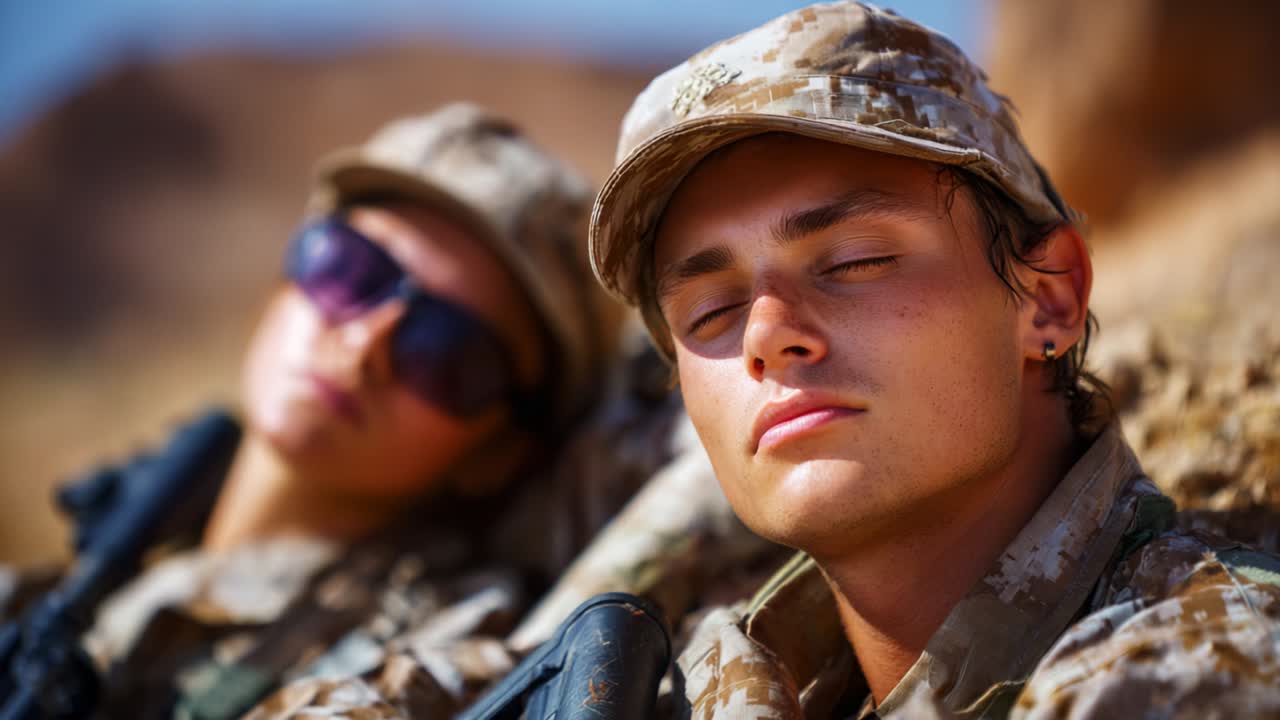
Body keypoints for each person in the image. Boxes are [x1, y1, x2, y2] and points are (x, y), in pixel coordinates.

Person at [587, 3, 1280, 718]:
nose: (765, 334)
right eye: (709, 314)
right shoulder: (706, 690)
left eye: (858, 261)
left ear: (1048, 300)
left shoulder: (1200, 669)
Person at [4, 102, 636, 719]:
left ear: (499, 455)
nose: (365, 345)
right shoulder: (84, 579)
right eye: (349, 270)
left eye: (448, 351)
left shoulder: (442, 647)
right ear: (281, 286)